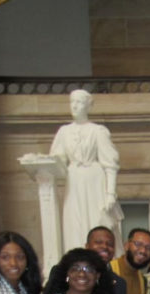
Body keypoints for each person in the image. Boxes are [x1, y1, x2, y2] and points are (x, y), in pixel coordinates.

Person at [50, 89, 122, 252]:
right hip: (74, 180)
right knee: (74, 223)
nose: (74, 106)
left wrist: (110, 193)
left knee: (97, 219)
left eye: (79, 102)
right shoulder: (64, 132)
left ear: (88, 106)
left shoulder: (97, 131)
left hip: (95, 180)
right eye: (72, 102)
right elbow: (57, 159)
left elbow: (110, 164)